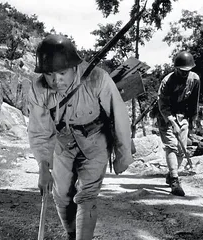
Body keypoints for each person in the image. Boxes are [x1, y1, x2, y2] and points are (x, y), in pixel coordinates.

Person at [27, 34, 134, 240]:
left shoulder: (97, 78)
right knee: (62, 197)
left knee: (87, 194)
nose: (56, 80)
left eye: (62, 73)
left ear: (74, 67)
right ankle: (71, 234)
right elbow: (39, 130)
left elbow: (119, 116)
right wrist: (43, 167)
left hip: (96, 140)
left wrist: (123, 155)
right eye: (49, 74)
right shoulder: (38, 89)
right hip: (63, 142)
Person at [156, 51, 200, 196]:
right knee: (172, 146)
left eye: (187, 71)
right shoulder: (167, 82)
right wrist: (172, 122)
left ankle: (171, 173)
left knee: (182, 149)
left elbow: (194, 101)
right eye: (182, 71)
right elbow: (163, 105)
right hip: (165, 116)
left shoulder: (195, 80)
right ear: (176, 68)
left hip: (182, 116)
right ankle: (175, 180)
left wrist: (193, 119)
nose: (184, 74)